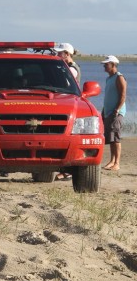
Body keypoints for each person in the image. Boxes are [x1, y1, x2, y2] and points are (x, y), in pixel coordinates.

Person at [54, 42, 81, 180]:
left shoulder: (71, 69)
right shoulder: (69, 67)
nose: (58, 55)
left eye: (60, 53)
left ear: (67, 54)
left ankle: (68, 171)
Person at [101, 55, 127, 171]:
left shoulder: (119, 77)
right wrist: (103, 111)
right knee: (111, 138)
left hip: (116, 112)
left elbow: (123, 95)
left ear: (113, 64)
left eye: (106, 64)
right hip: (108, 112)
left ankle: (117, 163)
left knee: (116, 137)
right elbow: (108, 96)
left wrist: (117, 109)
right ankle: (112, 161)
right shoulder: (109, 78)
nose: (104, 67)